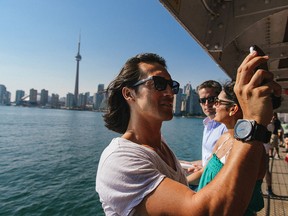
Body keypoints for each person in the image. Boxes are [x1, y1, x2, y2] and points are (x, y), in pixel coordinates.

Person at [96, 52, 281, 215]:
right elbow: (208, 212)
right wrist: (253, 122)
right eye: (159, 84)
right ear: (129, 94)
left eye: (172, 86)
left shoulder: (159, 145)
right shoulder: (119, 159)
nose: (170, 92)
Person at [188, 81, 264, 215]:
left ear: (233, 109)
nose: (212, 105)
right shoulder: (224, 138)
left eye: (217, 101)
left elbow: (231, 202)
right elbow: (205, 172)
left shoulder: (247, 149)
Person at [197, 80, 227, 167]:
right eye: (203, 100)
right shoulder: (207, 124)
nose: (207, 104)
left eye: (211, 99)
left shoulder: (225, 127)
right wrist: (202, 163)